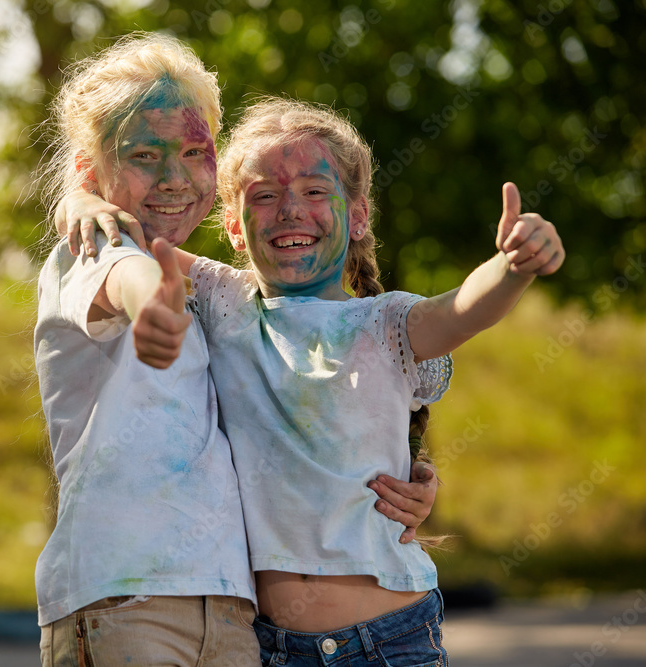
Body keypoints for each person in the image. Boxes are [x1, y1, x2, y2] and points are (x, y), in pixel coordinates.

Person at [35, 35, 437, 666]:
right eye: (144, 155)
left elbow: (303, 411)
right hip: (123, 597)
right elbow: (127, 280)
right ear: (92, 170)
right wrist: (151, 301)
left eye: (196, 152)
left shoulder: (224, 302)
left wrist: (393, 478)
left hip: (232, 609)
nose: (173, 177)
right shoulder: (95, 252)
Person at [127, 98, 564, 665]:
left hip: (387, 640)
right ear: (234, 226)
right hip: (270, 647)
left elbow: (461, 310)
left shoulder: (383, 324)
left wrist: (512, 266)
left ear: (358, 216)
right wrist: (82, 201)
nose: (289, 210)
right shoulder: (225, 301)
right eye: (264, 195)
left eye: (314, 191)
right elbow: (132, 235)